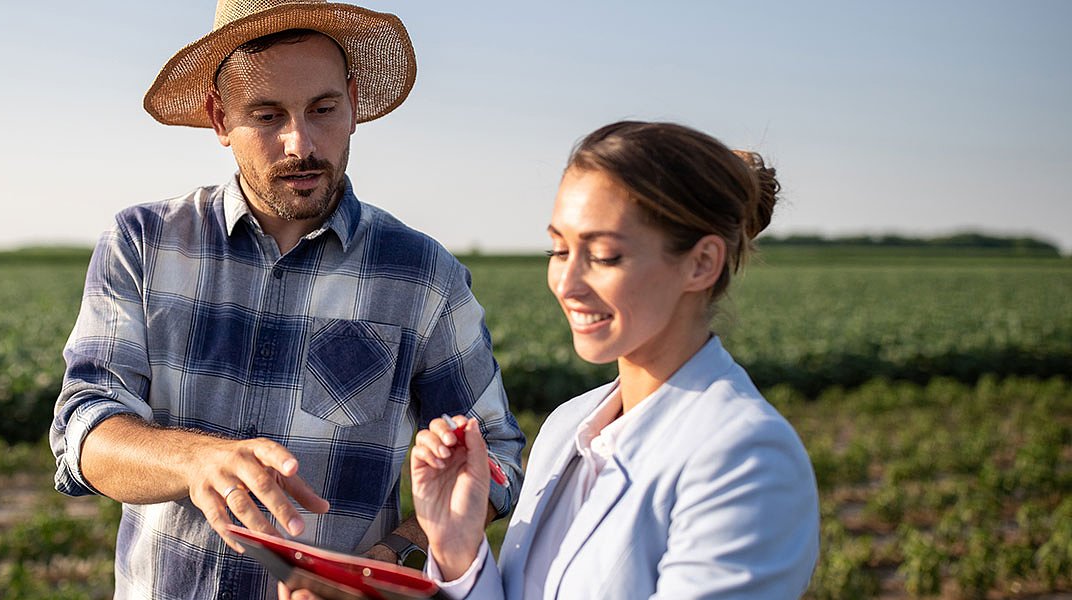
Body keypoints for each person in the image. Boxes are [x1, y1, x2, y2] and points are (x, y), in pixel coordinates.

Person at [48, 1, 526, 599]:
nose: (300, 143)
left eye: (323, 109)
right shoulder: (143, 244)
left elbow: (497, 453)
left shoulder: (424, 276)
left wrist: (388, 561)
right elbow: (83, 433)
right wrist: (194, 461)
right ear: (219, 119)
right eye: (267, 115)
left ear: (352, 102)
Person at [407, 121, 821, 600]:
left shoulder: (746, 461)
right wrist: (458, 551)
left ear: (702, 263)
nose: (566, 283)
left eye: (603, 256)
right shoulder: (569, 426)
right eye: (559, 249)